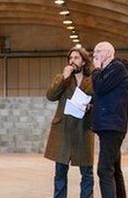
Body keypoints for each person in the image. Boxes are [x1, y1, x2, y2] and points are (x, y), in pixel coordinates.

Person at [45, 47, 94, 198]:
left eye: (76, 58)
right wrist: (64, 78)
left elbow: (99, 100)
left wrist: (91, 106)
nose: (72, 61)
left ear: (84, 61)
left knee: (87, 172)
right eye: (71, 58)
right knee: (60, 171)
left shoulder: (92, 80)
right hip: (63, 129)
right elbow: (51, 96)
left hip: (83, 129)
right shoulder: (62, 78)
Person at [92, 42, 128, 198]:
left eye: (97, 51)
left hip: (112, 127)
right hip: (110, 125)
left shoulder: (116, 68)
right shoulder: (111, 70)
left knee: (104, 170)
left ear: (108, 53)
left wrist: (96, 70)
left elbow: (99, 87)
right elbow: (105, 95)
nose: (94, 55)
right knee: (114, 169)